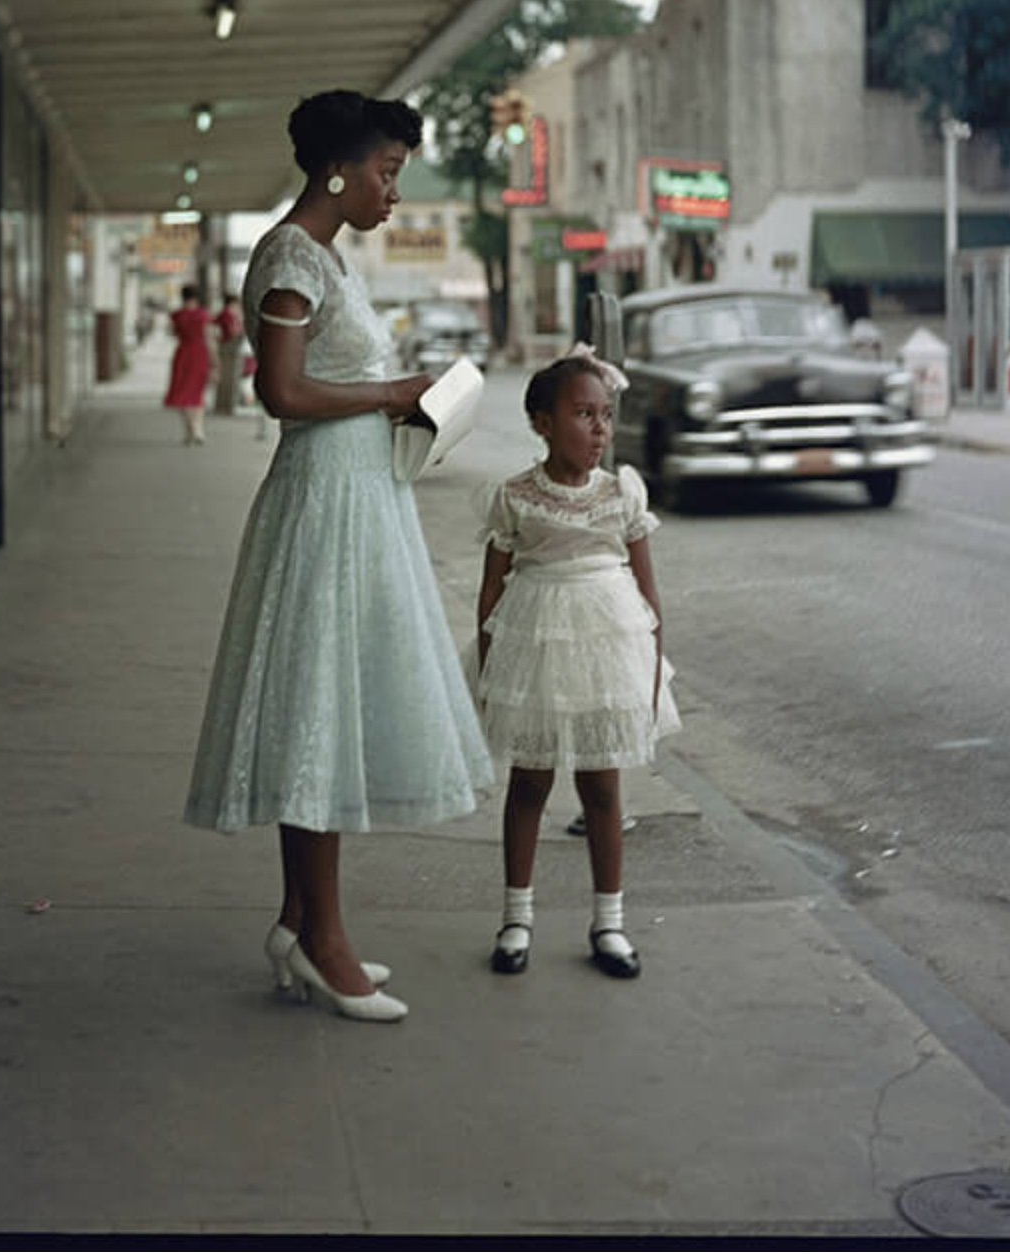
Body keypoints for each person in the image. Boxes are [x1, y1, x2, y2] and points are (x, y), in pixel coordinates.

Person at [184, 90, 493, 1023]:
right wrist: (394, 388)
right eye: (387, 172)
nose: (394, 192)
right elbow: (279, 392)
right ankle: (324, 939)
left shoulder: (325, 259)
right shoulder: (290, 255)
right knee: (318, 707)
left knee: (330, 707)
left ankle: (298, 920)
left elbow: (327, 377)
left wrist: (403, 402)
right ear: (338, 170)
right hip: (325, 499)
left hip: (360, 494)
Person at [470, 348, 682, 981]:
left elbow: (647, 597)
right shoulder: (515, 498)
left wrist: (649, 673)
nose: (599, 430)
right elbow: (491, 592)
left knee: (601, 788)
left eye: (606, 415)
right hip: (535, 647)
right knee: (529, 783)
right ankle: (516, 916)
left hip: (606, 651)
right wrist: (490, 675)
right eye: (583, 414)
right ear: (542, 422)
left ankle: (609, 921)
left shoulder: (621, 495)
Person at [164, 284, 214, 444]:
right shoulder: (203, 315)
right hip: (200, 354)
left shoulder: (177, 315)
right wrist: (214, 360)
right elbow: (209, 338)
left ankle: (190, 431)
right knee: (197, 394)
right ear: (197, 297)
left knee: (182, 394)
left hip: (183, 353)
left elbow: (171, 333)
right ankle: (197, 430)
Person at [212, 293, 245, 417]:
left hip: (226, 347)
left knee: (228, 378)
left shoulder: (226, 314)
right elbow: (232, 331)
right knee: (229, 378)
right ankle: (227, 407)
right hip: (230, 347)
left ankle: (224, 405)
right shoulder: (228, 314)